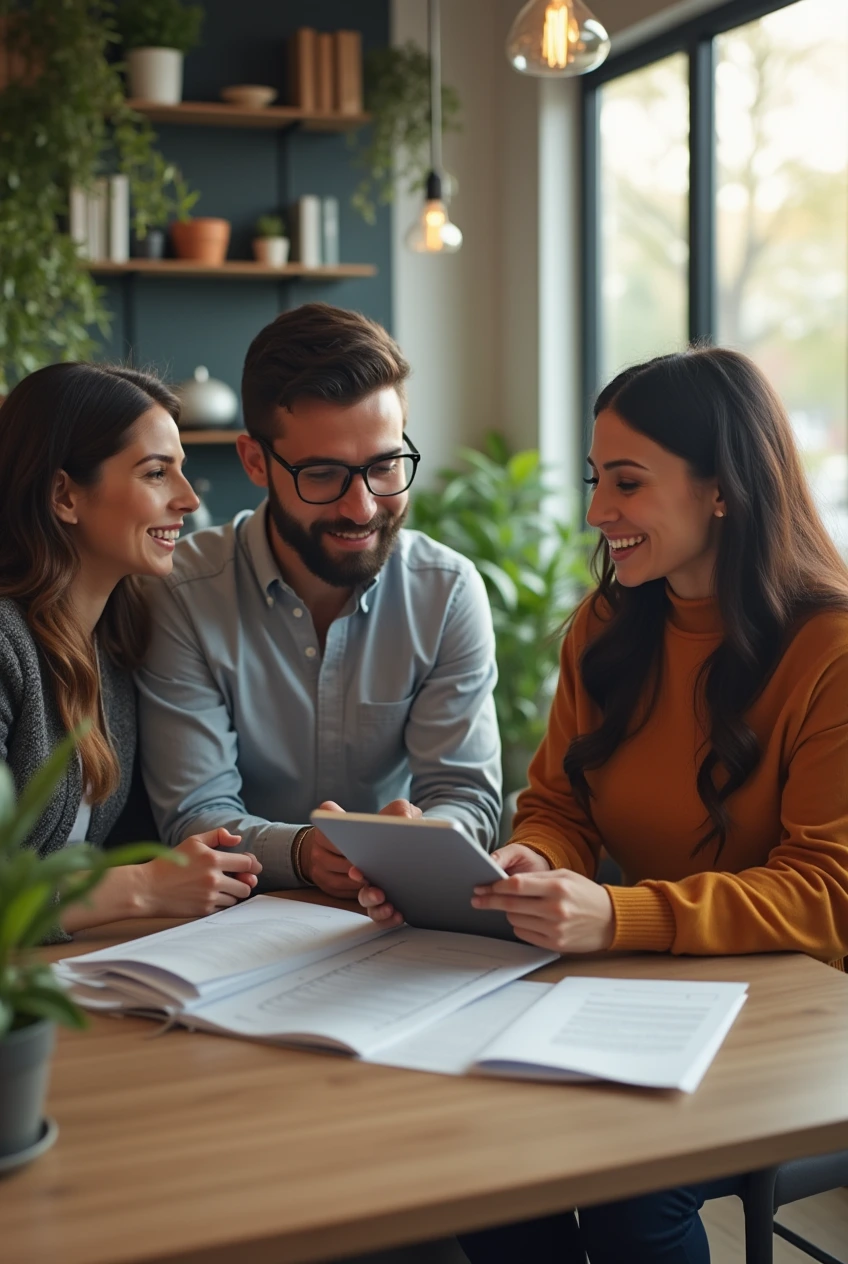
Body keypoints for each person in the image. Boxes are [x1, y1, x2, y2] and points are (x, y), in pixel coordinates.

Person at [358, 347, 848, 1263]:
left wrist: (620, 915)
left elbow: (827, 895)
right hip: (651, 989)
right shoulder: (611, 625)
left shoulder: (830, 648)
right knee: (486, 1153)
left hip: (805, 1013)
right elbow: (559, 806)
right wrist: (532, 861)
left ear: (722, 490)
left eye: (626, 482)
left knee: (636, 1190)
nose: (595, 513)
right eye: (595, 480)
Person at [137, 302, 501, 894]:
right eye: (323, 474)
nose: (360, 508)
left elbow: (464, 797)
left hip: (398, 916)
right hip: (236, 919)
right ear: (256, 460)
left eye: (385, 466)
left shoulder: (447, 591)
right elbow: (193, 813)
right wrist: (303, 853)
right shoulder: (183, 592)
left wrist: (425, 840)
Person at [0, 362, 263, 941]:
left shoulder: (116, 639)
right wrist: (144, 887)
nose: (189, 499)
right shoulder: (4, 646)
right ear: (64, 494)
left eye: (182, 472)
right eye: (155, 474)